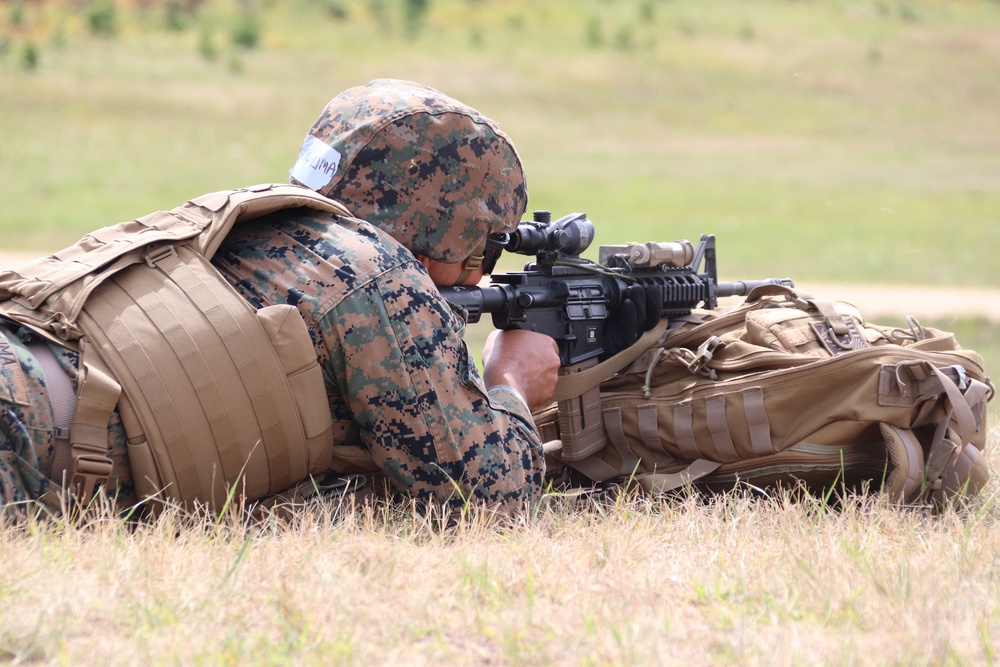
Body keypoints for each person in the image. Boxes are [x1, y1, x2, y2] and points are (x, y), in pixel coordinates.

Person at [0, 78, 562, 519]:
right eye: (482, 249)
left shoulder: (242, 224)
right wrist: (512, 382)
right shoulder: (376, 272)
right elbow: (489, 499)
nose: (476, 275)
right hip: (30, 432)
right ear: (443, 225)